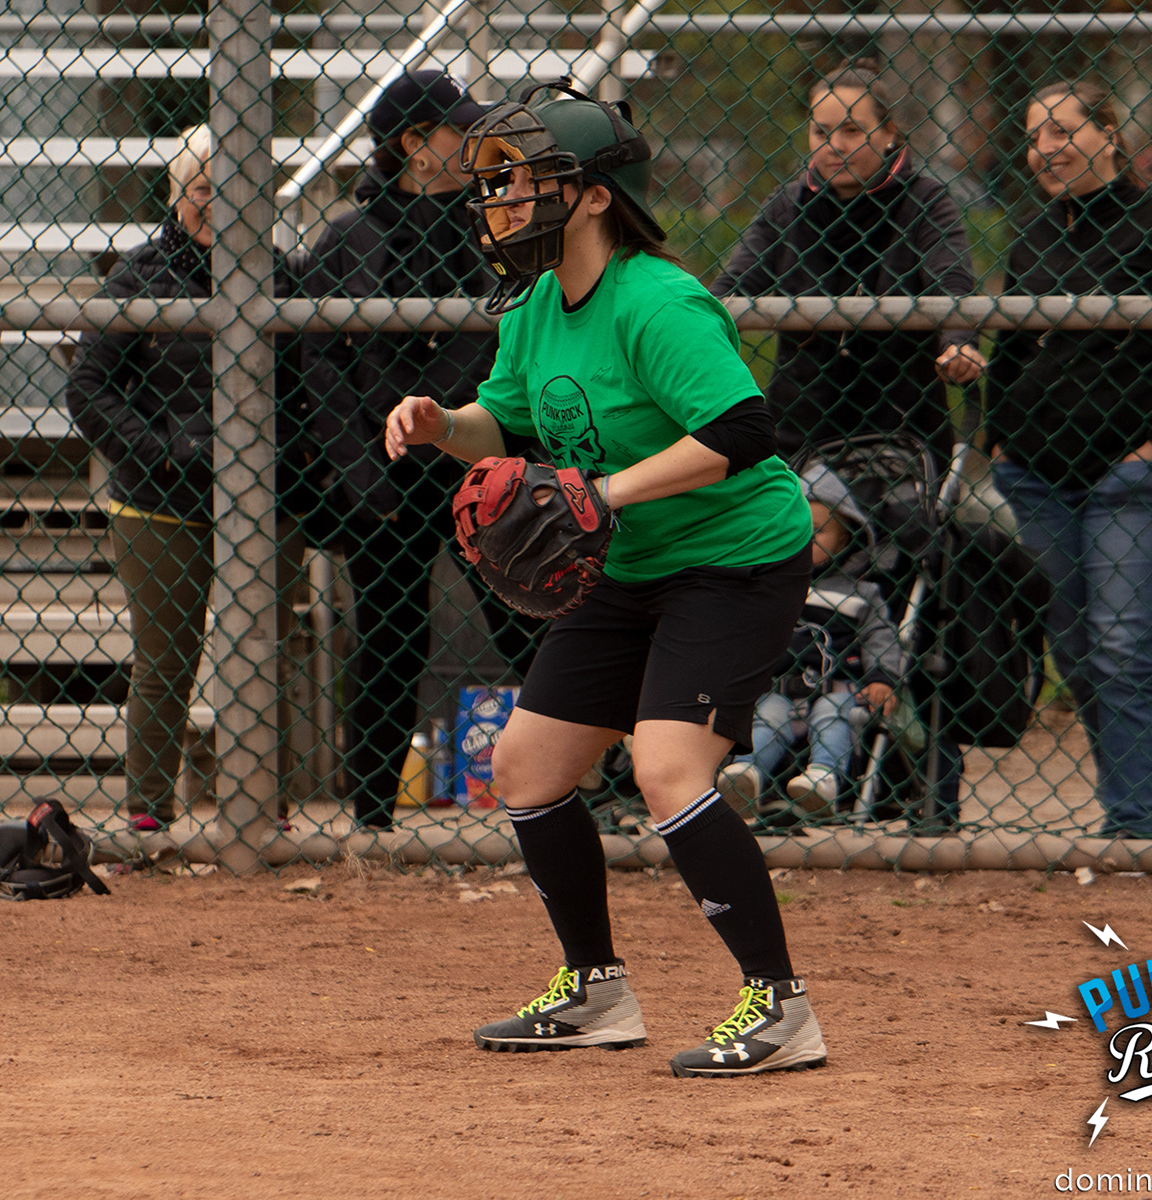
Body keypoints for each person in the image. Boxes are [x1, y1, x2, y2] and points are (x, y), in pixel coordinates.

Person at [384, 84, 827, 1077]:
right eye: (493, 183)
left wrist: (608, 491)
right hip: (629, 563)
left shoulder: (654, 301)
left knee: (669, 771)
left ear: (590, 197)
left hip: (734, 558)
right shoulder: (539, 304)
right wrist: (441, 424)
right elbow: (504, 423)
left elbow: (744, 428)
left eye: (519, 180)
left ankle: (781, 1005)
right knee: (528, 767)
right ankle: (595, 989)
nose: (497, 200)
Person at [987, 81, 1152, 839]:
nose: (1047, 149)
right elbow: (1012, 350)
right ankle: (1125, 806)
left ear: (1110, 135)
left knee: (1124, 651)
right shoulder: (1034, 236)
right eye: (1035, 137)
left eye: (1064, 131)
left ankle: (1135, 827)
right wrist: (996, 436)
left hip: (1136, 480)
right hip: (1039, 476)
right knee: (1076, 652)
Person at [299, 69, 538, 832]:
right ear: (413, 144)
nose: (472, 142)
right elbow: (319, 367)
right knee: (389, 638)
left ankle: (587, 785)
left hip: (480, 459)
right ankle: (372, 812)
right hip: (387, 476)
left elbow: (511, 344)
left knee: (527, 618)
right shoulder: (348, 238)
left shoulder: (493, 228)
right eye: (456, 130)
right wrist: (360, 473)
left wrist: (470, 427)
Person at [66, 125, 308, 832]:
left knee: (263, 656)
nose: (219, 205)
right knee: (166, 661)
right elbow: (88, 389)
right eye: (204, 189)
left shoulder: (281, 277)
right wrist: (165, 450)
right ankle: (148, 813)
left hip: (264, 501)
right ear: (177, 194)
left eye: (238, 191)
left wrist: (285, 460)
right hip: (160, 500)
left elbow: (311, 390)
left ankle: (264, 813)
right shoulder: (138, 276)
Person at [712, 60, 984, 461]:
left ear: (889, 133)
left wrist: (959, 342)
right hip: (799, 431)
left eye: (852, 131)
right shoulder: (788, 205)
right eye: (821, 132)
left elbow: (951, 279)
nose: (835, 145)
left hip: (901, 432)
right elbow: (733, 285)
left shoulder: (924, 201)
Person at [724, 462, 907, 814]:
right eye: (795, 528)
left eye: (818, 531)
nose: (804, 537)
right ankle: (745, 775)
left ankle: (822, 779)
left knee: (831, 717)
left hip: (838, 688)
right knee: (767, 719)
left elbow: (880, 637)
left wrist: (882, 677)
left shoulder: (860, 593)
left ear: (844, 540)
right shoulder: (770, 586)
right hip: (779, 687)